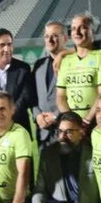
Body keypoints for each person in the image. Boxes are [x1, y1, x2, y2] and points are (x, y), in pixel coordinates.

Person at [56, 13, 101, 125]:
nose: (77, 32)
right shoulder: (66, 61)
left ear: (92, 31)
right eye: (73, 28)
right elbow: (60, 97)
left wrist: (88, 119)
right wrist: (70, 120)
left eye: (82, 27)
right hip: (72, 125)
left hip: (95, 123)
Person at [32, 21, 68, 149]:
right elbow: (33, 96)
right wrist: (37, 115)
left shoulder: (73, 63)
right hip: (43, 133)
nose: (50, 40)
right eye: (47, 36)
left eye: (55, 36)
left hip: (65, 131)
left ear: (65, 38)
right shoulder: (39, 65)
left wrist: (56, 115)